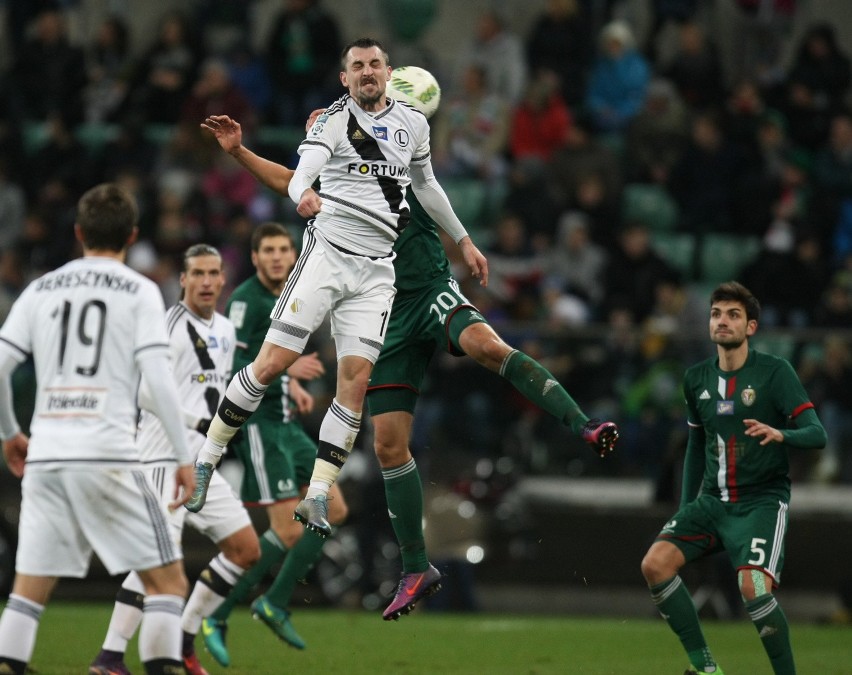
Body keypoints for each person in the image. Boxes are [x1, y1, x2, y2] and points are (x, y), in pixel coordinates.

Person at [198, 93, 618, 624]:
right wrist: (244, 152)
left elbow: (424, 180)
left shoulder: (401, 151)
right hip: (384, 317)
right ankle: (415, 568)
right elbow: (290, 180)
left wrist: (464, 242)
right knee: (389, 444)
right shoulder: (337, 162)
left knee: (488, 346)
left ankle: (582, 424)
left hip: (426, 291)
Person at [189, 35, 485, 582]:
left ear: (389, 72)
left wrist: (463, 240)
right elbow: (303, 170)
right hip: (327, 255)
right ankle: (206, 459)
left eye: (375, 64)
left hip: (377, 271)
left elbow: (428, 184)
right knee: (271, 363)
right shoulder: (329, 121)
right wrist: (302, 193)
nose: (367, 72)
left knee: (355, 382)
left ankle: (318, 495)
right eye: (357, 67)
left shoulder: (413, 126)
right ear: (345, 78)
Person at [0, 183, 196, 675]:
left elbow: (0, 364)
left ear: (78, 232)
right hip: (108, 453)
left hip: (46, 455)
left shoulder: (42, 287)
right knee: (168, 585)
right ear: (132, 234)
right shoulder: (140, 290)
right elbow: (158, 377)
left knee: (29, 587)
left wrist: (10, 433)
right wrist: (182, 455)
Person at [88, 244, 260, 675]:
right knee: (157, 563)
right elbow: (145, 391)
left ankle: (184, 637)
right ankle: (109, 656)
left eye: (213, 273)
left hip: (199, 464)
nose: (205, 281)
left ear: (223, 280)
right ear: (182, 280)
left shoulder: (223, 328)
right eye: (197, 273)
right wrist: (200, 420)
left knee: (244, 548)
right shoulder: (166, 325)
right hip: (161, 458)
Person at [640, 281, 827, 675]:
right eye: (716, 314)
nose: (722, 321)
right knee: (655, 564)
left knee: (752, 590)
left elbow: (817, 433)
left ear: (752, 327)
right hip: (712, 501)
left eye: (733, 315)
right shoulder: (695, 379)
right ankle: (706, 668)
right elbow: (695, 444)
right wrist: (686, 509)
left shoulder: (776, 372)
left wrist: (782, 433)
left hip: (761, 502)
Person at [200, 223, 348, 662]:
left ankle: (274, 601)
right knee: (285, 530)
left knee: (334, 509)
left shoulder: (293, 291)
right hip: (261, 429)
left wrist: (292, 388)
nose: (279, 257)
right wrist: (289, 371)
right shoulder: (246, 301)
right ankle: (217, 613)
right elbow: (236, 369)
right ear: (255, 256)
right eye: (269, 250)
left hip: (286, 423)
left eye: (285, 249)